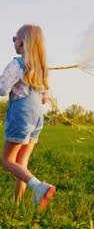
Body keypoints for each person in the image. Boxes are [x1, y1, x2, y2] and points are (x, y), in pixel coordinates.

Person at [0, 24, 55, 210]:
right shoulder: (41, 69)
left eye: (14, 38)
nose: (13, 42)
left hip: (20, 117)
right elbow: (44, 99)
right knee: (21, 162)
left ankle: (39, 187)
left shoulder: (17, 64)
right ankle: (18, 205)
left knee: (7, 160)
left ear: (22, 43)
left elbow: (2, 88)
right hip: (37, 119)